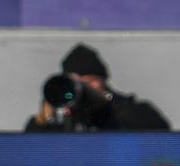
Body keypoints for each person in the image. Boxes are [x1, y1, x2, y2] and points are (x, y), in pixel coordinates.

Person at [25, 44, 170, 132]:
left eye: (90, 81)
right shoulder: (63, 117)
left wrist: (109, 104)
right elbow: (28, 152)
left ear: (103, 82)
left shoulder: (127, 109)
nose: (83, 88)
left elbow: (161, 133)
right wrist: (44, 119)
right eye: (76, 82)